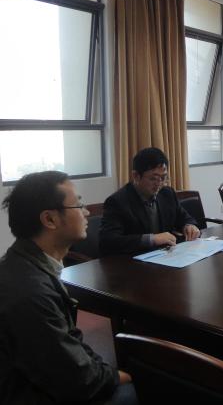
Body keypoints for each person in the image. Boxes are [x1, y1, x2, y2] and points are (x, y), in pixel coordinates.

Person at [0, 171, 136, 404]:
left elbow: (69, 345)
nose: (87, 212)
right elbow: (80, 381)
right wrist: (120, 376)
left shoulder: (23, 264)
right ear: (50, 219)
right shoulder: (30, 292)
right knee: (135, 391)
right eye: (79, 205)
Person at [100, 147, 199, 256]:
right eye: (153, 178)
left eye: (163, 178)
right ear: (136, 176)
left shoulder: (167, 193)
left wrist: (189, 225)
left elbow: (184, 217)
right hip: (133, 260)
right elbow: (109, 241)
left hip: (166, 257)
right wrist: (152, 239)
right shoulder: (117, 201)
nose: (159, 183)